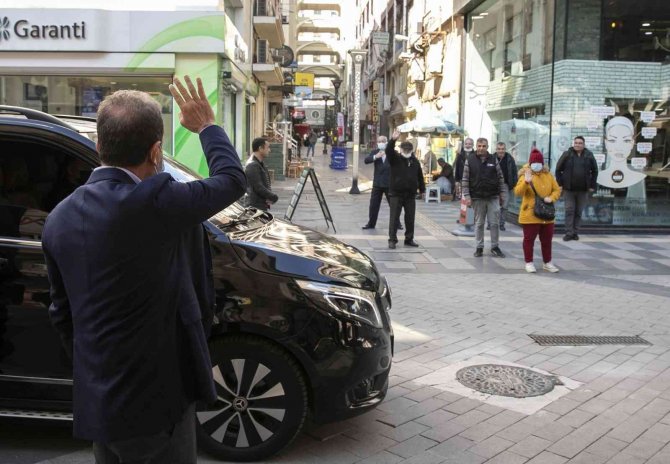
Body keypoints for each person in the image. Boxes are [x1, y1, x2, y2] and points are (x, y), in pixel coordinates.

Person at [42, 76, 247, 464]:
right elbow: (232, 180)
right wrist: (205, 126)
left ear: (100, 145)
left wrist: (97, 369)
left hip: (99, 404)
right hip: (156, 405)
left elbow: (62, 314)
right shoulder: (156, 202)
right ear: (156, 152)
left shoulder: (58, 218)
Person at [514, 148, 561, 273]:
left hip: (547, 214)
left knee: (547, 241)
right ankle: (529, 262)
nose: (537, 165)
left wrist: (551, 198)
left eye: (539, 162)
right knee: (529, 240)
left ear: (542, 163)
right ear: (530, 163)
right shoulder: (525, 174)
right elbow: (518, 192)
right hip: (530, 214)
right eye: (534, 162)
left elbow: (557, 190)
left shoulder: (549, 175)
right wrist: (525, 182)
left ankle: (547, 262)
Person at [462, 137, 508, 258]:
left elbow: (501, 178)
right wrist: (467, 196)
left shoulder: (493, 159)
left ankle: (495, 246)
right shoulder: (470, 160)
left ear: (487, 147)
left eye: (483, 146)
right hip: (477, 197)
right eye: (479, 146)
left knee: (494, 223)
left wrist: (502, 194)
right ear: (476, 146)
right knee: (479, 223)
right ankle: (479, 247)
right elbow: (465, 179)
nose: (481, 148)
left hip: (493, 197)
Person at [386, 129, 425, 249]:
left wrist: (422, 190)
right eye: (405, 149)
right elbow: (388, 151)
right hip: (396, 194)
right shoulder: (395, 159)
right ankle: (392, 240)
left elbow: (420, 176)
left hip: (410, 195)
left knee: (410, 218)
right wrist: (393, 140)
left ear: (411, 150)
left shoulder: (415, 162)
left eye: (409, 150)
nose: (407, 151)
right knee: (394, 218)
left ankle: (409, 239)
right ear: (401, 149)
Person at [555, 135, 598, 241]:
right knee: (569, 210)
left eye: (580, 143)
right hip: (569, 189)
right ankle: (569, 232)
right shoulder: (567, 154)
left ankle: (575, 232)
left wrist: (592, 185)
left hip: (583, 190)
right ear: (573, 144)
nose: (577, 145)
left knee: (578, 211)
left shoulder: (589, 155)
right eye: (576, 143)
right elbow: (558, 169)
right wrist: (560, 184)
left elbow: (595, 171)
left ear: (584, 145)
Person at [362, 135, 402, 230]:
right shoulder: (375, 152)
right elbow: (366, 160)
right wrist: (376, 157)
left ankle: (397, 223)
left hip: (389, 184)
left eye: (383, 141)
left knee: (393, 205)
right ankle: (371, 223)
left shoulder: (392, 153)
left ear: (386, 142)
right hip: (377, 184)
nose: (381, 143)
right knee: (373, 205)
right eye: (379, 141)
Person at [597, 116, 646, 191]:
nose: (619, 147)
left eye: (626, 140)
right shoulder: (598, 177)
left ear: (632, 143)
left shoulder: (638, 177)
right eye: (612, 140)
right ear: (606, 143)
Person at [488, 142, 518, 231]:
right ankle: (490, 223)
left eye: (502, 149)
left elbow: (514, 172)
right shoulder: (491, 158)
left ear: (505, 149)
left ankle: (501, 223)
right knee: (492, 205)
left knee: (504, 206)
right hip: (493, 185)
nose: (501, 151)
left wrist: (513, 184)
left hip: (505, 185)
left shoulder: (509, 158)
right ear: (496, 149)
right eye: (499, 149)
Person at [246, 137, 279, 211]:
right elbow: (258, 187)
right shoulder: (252, 165)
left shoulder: (259, 163)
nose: (269, 150)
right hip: (255, 207)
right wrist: (273, 197)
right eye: (268, 148)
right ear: (260, 148)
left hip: (260, 205)